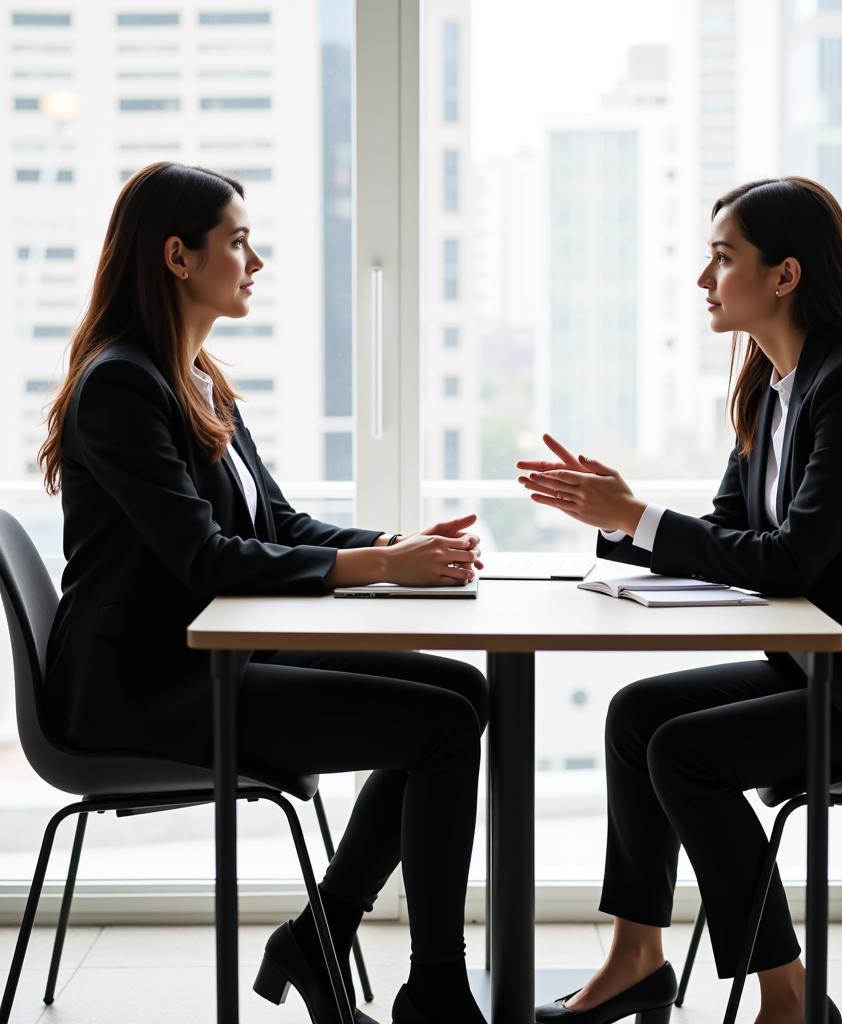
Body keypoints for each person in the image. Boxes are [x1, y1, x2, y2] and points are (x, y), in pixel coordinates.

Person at [516, 176, 842, 1024]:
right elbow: (727, 536)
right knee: (637, 716)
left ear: (784, 276)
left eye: (723, 258)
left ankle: (788, 998)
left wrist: (637, 517)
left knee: (685, 754)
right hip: (841, 668)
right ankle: (635, 957)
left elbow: (788, 561)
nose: (704, 279)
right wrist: (620, 515)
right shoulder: (769, 386)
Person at [38, 161, 490, 1024]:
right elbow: (205, 559)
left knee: (462, 690)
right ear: (178, 256)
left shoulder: (195, 373)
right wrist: (383, 570)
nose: (256, 261)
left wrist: (396, 546)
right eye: (238, 241)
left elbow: (275, 526)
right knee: (438, 726)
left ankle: (320, 940)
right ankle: (429, 985)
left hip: (202, 661)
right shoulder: (123, 385)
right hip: (140, 688)